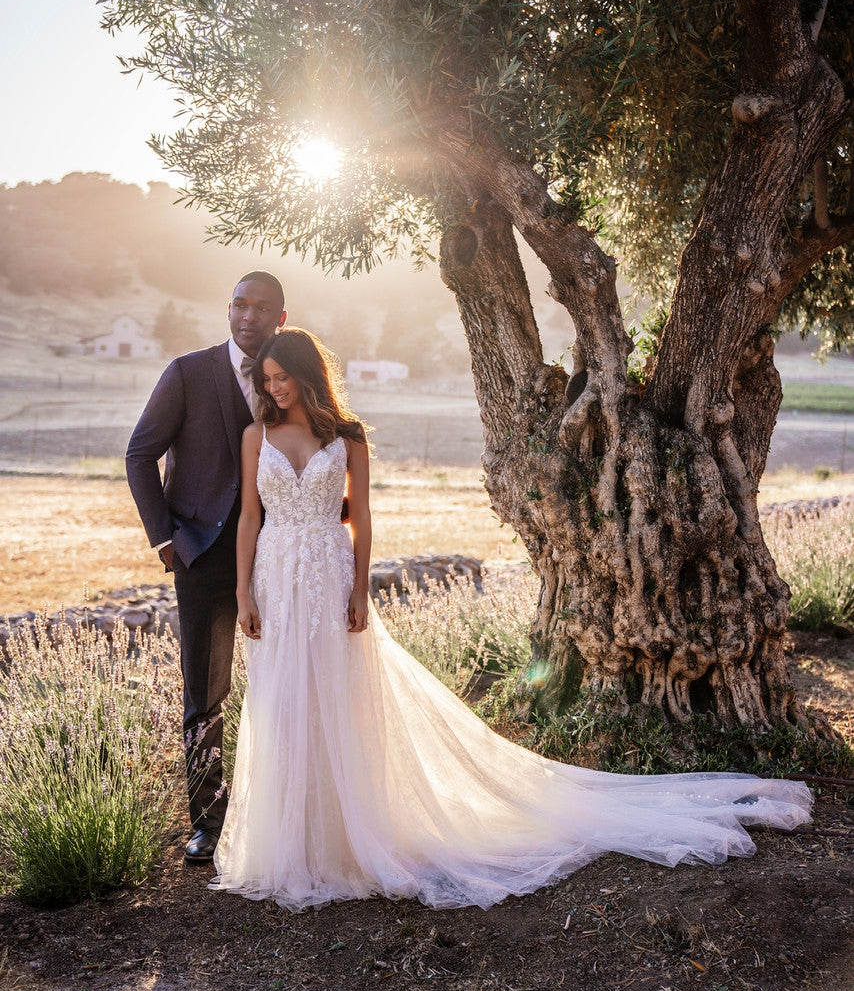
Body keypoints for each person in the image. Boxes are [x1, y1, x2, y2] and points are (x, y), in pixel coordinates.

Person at [211, 327, 811, 912]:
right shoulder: (253, 435)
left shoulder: (348, 439)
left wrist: (360, 592)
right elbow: (247, 521)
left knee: (337, 698)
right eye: (268, 380)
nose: (276, 388)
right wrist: (244, 595)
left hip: (328, 574)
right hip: (274, 576)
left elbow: (360, 520)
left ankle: (346, 838)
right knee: (282, 701)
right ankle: (292, 845)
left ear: (307, 374)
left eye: (283, 376)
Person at [126, 271, 287, 862]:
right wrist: (164, 537)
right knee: (206, 693)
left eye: (261, 307)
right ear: (228, 309)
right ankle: (209, 824)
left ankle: (283, 811)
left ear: (280, 318)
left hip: (280, 553)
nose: (248, 316)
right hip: (203, 556)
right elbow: (140, 453)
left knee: (291, 684)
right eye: (240, 305)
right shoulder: (187, 373)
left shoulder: (289, 378)